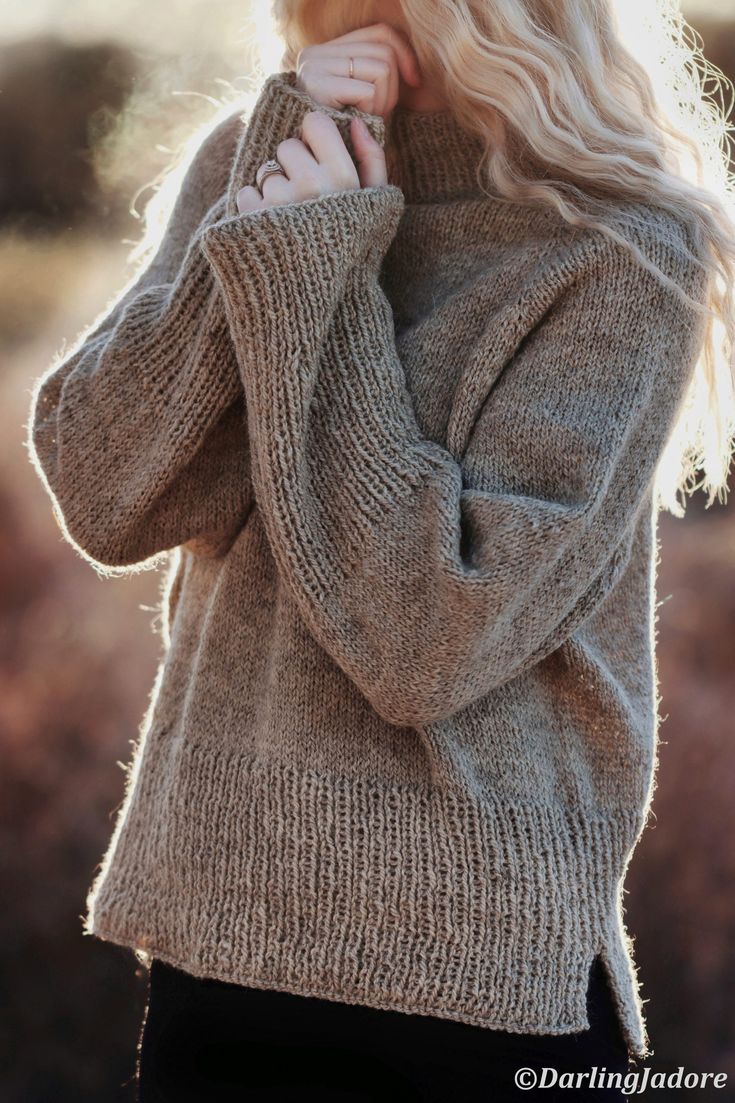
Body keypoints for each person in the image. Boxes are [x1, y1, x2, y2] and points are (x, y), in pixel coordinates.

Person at [26, 1, 735, 1100]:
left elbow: (426, 636)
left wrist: (316, 272)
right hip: (218, 944)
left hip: (476, 985)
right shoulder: (263, 151)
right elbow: (107, 496)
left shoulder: (623, 243)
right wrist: (259, 214)